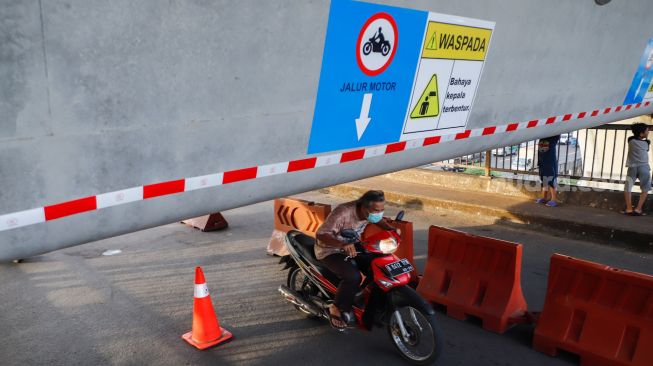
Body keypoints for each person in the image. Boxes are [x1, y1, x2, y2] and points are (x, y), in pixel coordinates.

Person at [315, 190, 395, 329]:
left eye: (382, 210)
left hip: (354, 245)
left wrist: (391, 229)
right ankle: (336, 308)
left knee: (377, 267)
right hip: (330, 249)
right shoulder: (343, 212)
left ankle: (362, 297)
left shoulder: (369, 213)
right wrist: (342, 244)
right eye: (376, 210)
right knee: (353, 277)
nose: (379, 213)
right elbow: (321, 234)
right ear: (364, 207)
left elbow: (377, 219)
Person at [622, 122, 651, 216]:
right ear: (642, 133)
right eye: (647, 130)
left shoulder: (630, 140)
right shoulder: (647, 143)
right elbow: (646, 149)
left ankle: (629, 209)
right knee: (645, 188)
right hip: (644, 167)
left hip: (632, 167)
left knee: (628, 187)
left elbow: (634, 138)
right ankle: (638, 209)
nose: (649, 132)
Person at [535, 135, 561, 207]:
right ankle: (544, 197)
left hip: (549, 162)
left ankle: (554, 200)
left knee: (551, 180)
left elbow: (558, 134)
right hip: (542, 161)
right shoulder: (543, 134)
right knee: (544, 179)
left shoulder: (554, 135)